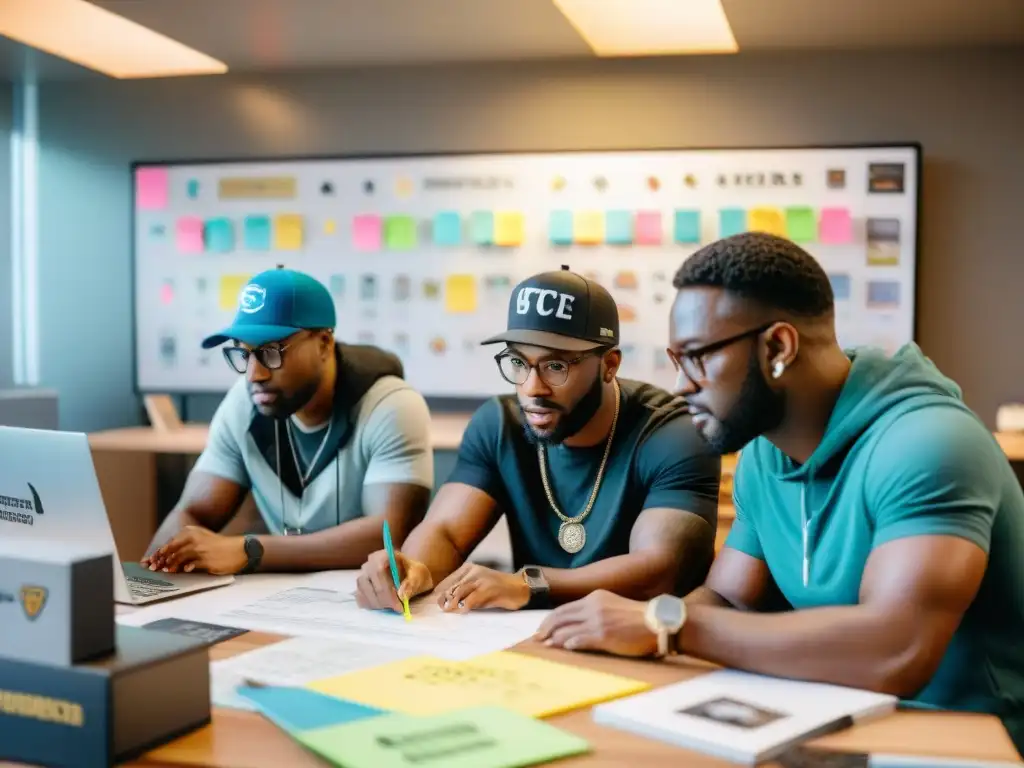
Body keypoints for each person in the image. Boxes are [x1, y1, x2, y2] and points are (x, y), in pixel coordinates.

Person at [535, 233, 1024, 753]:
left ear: (778, 348)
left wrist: (665, 622)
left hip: (967, 738)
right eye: (676, 361)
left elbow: (895, 650)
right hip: (831, 714)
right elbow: (730, 600)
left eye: (697, 357)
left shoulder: (928, 442)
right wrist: (622, 645)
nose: (681, 386)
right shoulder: (763, 454)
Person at [355, 266, 721, 614]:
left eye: (556, 366)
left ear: (609, 365)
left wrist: (531, 585)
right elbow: (446, 532)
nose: (532, 388)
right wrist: (412, 569)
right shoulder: (500, 425)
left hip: (652, 644)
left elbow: (659, 569)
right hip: (532, 639)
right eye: (518, 363)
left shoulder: (673, 432)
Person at [141, 267, 434, 576]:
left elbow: (389, 535)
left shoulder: (391, 406)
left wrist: (250, 550)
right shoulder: (244, 405)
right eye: (244, 354)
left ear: (323, 343)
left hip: (369, 599)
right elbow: (192, 513)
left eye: (270, 352)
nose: (255, 374)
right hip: (280, 597)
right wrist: (149, 581)